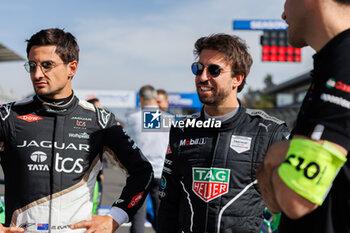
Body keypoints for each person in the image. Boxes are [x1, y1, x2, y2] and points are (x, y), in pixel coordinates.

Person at [0, 28, 153, 233]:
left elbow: (142, 171)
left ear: (71, 68)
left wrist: (114, 218)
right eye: (32, 65)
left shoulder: (99, 120)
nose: (37, 74)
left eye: (47, 65)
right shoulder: (9, 115)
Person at [158, 33, 290, 233]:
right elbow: (169, 202)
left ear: (237, 79)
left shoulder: (270, 132)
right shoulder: (181, 129)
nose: (203, 77)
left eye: (214, 70)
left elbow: (291, 205)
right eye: (198, 68)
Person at [257, 1, 350, 233]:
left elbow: (294, 200)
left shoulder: (344, 63)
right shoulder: (333, 61)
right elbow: (277, 204)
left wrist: (274, 155)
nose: (283, 13)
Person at [126, 85, 171, 233]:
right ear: (155, 98)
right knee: (163, 217)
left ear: (141, 99)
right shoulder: (168, 119)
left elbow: (128, 145)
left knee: (138, 216)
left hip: (140, 174)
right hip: (161, 173)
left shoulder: (133, 119)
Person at [87, 97, 105, 215]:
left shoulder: (102, 127)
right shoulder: (85, 128)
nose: (102, 110)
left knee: (94, 210)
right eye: (99, 108)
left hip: (97, 176)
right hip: (86, 178)